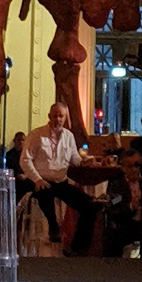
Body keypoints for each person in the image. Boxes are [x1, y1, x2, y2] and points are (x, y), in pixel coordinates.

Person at [20, 102, 97, 254]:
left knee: (89, 206)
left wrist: (84, 161)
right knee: (45, 192)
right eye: (55, 116)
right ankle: (53, 227)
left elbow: (74, 158)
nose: (58, 119)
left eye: (61, 116)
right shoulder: (36, 135)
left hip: (60, 182)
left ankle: (78, 247)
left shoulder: (69, 136)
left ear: (65, 117)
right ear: (49, 116)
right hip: (39, 180)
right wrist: (37, 179)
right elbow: (25, 160)